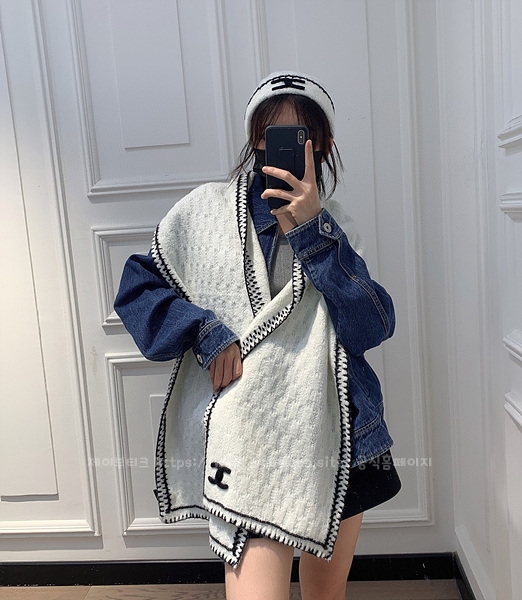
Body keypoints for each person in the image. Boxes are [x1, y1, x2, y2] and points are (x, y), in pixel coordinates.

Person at [115, 71, 401, 600]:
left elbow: (372, 326)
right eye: (273, 135)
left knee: (325, 595)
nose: (283, 150)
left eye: (300, 136)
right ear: (256, 139)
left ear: (323, 145)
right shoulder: (203, 213)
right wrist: (202, 330)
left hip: (338, 435)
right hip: (250, 438)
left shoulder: (336, 227)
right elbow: (137, 288)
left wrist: (313, 232)